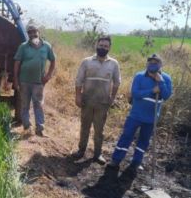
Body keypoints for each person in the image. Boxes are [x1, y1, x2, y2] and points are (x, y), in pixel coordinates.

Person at [108, 54, 172, 171]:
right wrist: (152, 90)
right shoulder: (139, 76)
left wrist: (161, 82)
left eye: (155, 63)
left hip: (151, 118)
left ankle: (136, 163)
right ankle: (116, 160)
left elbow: (166, 95)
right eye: (150, 62)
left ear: (160, 65)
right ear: (147, 64)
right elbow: (135, 93)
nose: (152, 64)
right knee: (126, 136)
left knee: (144, 141)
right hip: (135, 115)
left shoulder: (166, 78)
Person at [73, 36, 121, 164]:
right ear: (96, 45)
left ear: (109, 48)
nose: (103, 48)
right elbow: (78, 80)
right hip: (87, 101)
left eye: (106, 46)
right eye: (101, 45)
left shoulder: (114, 64)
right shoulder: (87, 61)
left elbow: (116, 83)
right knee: (85, 127)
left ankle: (97, 154)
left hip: (103, 103)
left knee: (99, 130)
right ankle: (81, 151)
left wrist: (112, 98)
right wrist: (78, 96)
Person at [13, 24, 56, 137]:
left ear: (39, 32)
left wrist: (48, 75)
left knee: (38, 105)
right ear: (28, 34)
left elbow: (53, 61)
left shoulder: (47, 46)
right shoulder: (23, 47)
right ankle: (27, 127)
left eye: (34, 32)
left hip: (39, 82)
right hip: (24, 82)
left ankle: (40, 129)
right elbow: (17, 63)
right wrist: (16, 80)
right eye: (30, 32)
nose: (32, 34)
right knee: (25, 105)